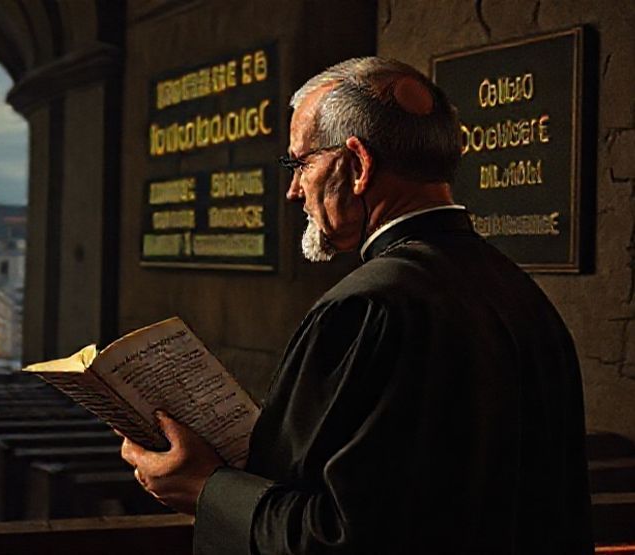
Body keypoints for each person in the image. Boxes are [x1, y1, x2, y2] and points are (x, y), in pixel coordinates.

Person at [120, 57, 593, 555]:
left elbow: (345, 540)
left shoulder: (367, 307)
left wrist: (204, 487)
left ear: (357, 165)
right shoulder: (519, 291)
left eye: (300, 163)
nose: (293, 189)